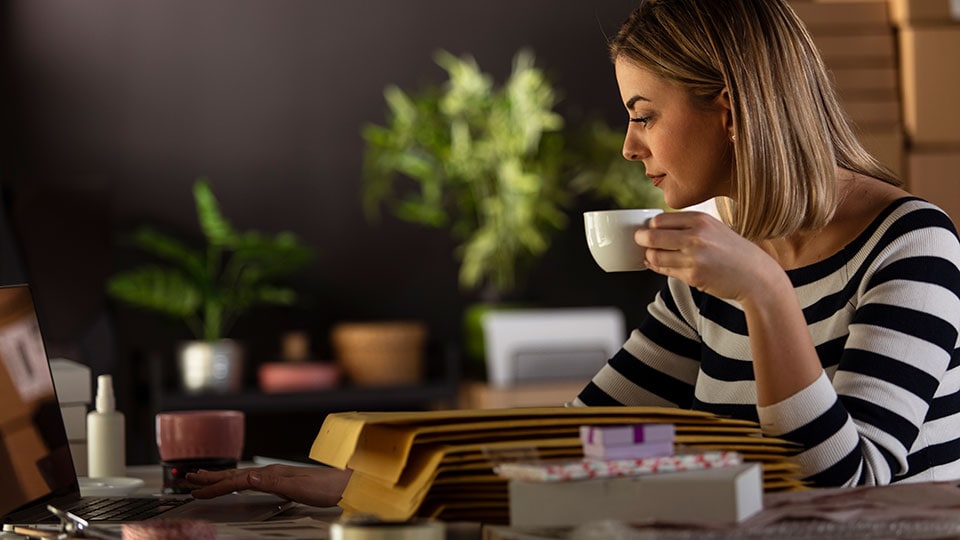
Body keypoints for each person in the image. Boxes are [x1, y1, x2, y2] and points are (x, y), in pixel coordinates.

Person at [187, 0, 960, 504]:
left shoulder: (912, 245)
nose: (630, 145)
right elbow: (573, 442)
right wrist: (317, 483)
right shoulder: (712, 267)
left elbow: (846, 484)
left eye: (645, 115)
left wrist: (764, 292)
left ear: (727, 109)